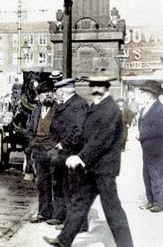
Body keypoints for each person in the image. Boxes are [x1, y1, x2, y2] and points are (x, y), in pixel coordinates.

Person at [44, 74, 133, 247]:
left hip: (104, 169)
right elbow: (87, 134)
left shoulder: (111, 109)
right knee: (80, 203)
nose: (96, 90)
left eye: (100, 86)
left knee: (113, 211)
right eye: (94, 86)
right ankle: (64, 239)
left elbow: (102, 140)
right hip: (93, 168)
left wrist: (81, 157)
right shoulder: (97, 106)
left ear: (107, 87)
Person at [49, 78, 89, 232]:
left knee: (75, 189)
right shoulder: (69, 104)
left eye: (57, 91)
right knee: (68, 187)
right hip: (67, 153)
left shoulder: (77, 105)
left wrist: (64, 143)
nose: (56, 94)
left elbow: (78, 131)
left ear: (63, 91)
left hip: (74, 153)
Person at [26, 80, 59, 224]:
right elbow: (29, 129)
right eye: (44, 93)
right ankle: (43, 212)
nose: (47, 95)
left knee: (56, 182)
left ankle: (57, 215)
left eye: (50, 92)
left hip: (52, 151)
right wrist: (32, 143)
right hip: (38, 150)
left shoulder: (58, 110)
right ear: (38, 96)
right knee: (42, 183)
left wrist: (56, 145)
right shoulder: (36, 111)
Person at [135, 80, 163, 213]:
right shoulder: (146, 107)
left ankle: (158, 204)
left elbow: (159, 129)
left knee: (156, 176)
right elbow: (142, 123)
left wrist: (141, 134)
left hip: (157, 150)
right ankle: (150, 201)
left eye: (144, 91)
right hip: (147, 149)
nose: (142, 93)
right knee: (147, 175)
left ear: (150, 94)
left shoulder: (161, 110)